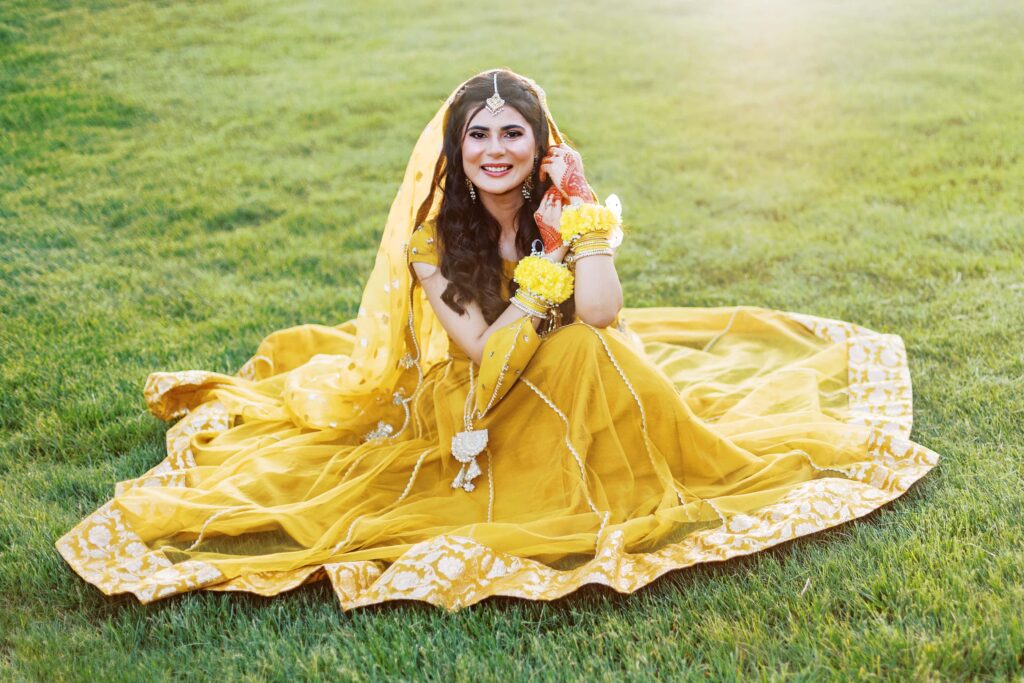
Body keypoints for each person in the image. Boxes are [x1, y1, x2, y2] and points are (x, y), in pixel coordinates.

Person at [56, 69, 940, 610]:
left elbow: (600, 311)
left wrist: (578, 219)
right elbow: (485, 347)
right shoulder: (436, 240)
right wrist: (539, 274)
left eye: (512, 133)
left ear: (538, 142)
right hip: (481, 396)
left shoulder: (563, 205)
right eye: (477, 135)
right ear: (457, 146)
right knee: (568, 354)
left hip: (579, 369)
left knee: (593, 349)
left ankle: (628, 469)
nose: (494, 148)